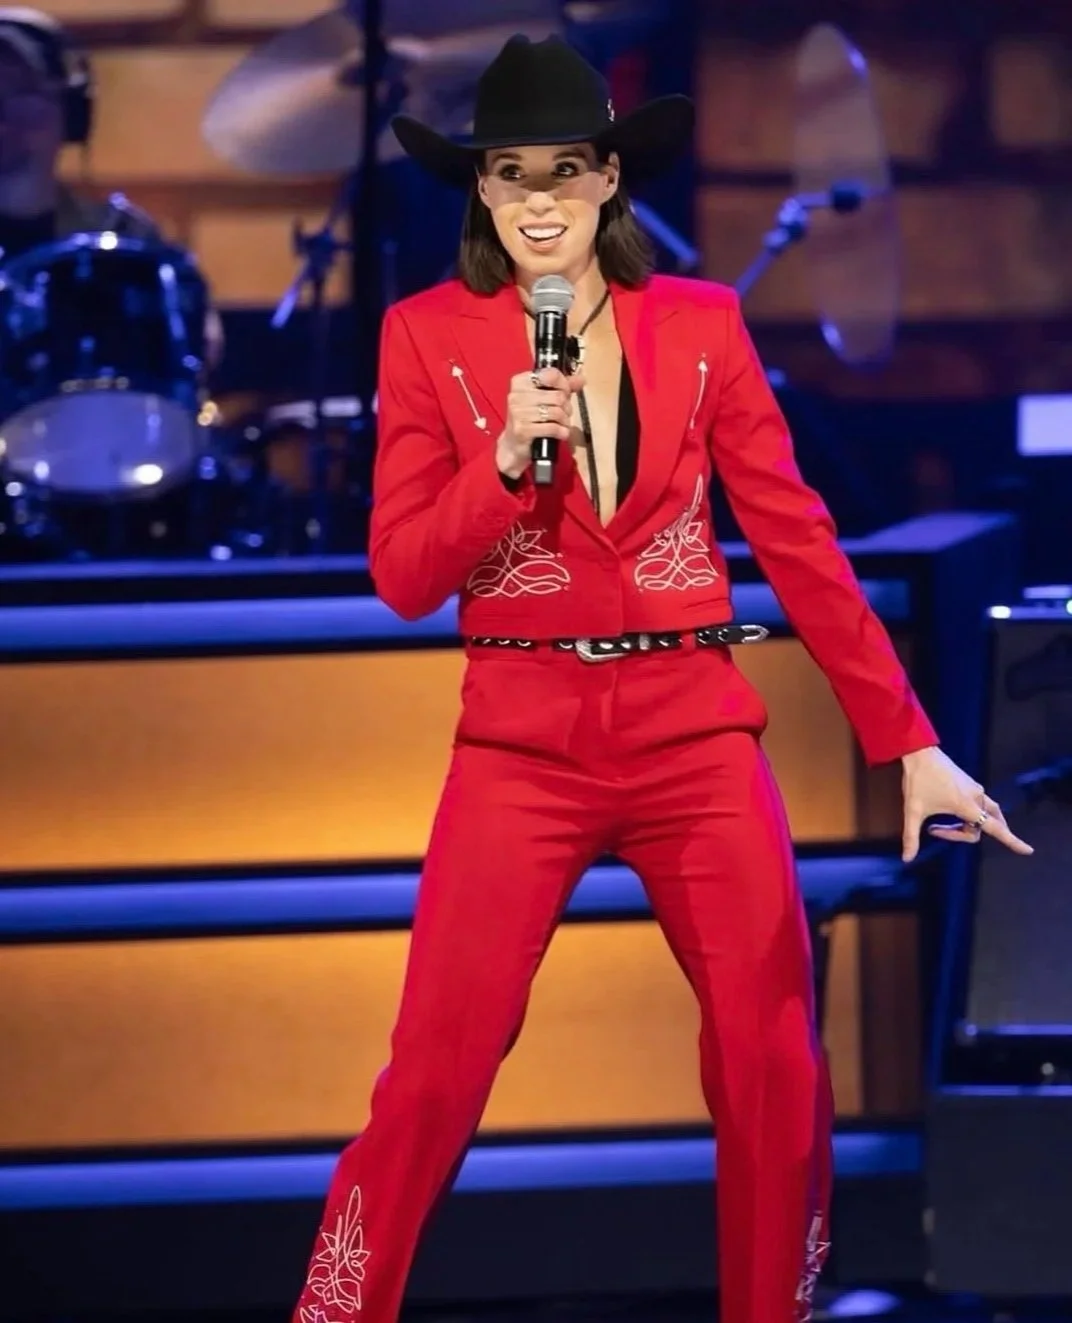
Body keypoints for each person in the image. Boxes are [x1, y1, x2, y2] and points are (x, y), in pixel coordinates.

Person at [291, 34, 1032, 1323]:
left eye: (563, 171)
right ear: (479, 190)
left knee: (771, 1062)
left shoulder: (698, 325)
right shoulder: (427, 338)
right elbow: (403, 574)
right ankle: (334, 1310)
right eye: (509, 173)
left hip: (693, 733)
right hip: (521, 744)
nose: (537, 200)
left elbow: (796, 539)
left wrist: (907, 741)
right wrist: (499, 463)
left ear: (609, 179)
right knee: (436, 1073)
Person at [0, 6, 223, 359]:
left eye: (20, 92)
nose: (2, 115)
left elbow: (193, 348)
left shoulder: (122, 235)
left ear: (72, 114)